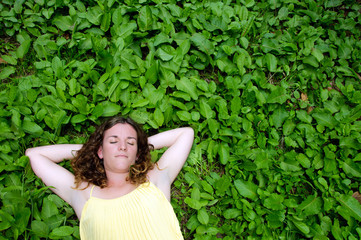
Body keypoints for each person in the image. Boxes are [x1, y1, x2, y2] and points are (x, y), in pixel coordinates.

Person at [25, 116, 194, 240]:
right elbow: (34, 155)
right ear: (100, 151)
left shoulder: (154, 181)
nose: (122, 147)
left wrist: (138, 148)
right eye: (113, 142)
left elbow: (185, 134)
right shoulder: (84, 195)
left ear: (137, 153)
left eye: (130, 142)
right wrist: (89, 150)